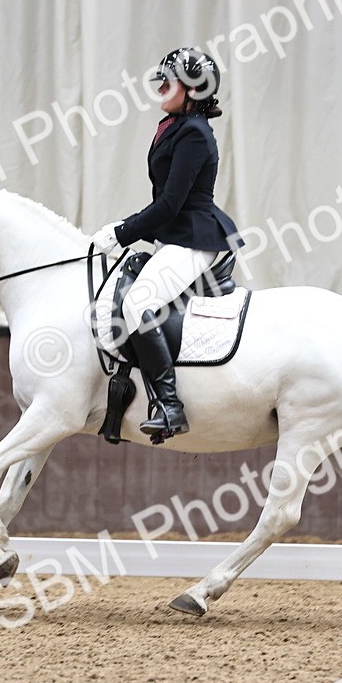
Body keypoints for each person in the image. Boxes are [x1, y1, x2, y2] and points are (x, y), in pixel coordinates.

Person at [91, 47, 244, 439]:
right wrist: (125, 225)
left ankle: (170, 405)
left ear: (193, 89)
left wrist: (123, 232)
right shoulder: (174, 125)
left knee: (138, 303)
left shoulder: (194, 133)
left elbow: (171, 204)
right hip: (177, 234)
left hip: (195, 236)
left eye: (169, 81)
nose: (161, 86)